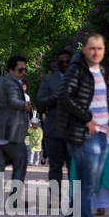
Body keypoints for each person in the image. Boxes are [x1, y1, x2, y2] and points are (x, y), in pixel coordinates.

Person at [50, 34, 109, 217]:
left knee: (88, 185)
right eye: (92, 48)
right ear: (84, 50)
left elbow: (105, 99)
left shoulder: (101, 71)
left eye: (100, 48)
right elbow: (65, 97)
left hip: (102, 133)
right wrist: (87, 120)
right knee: (86, 186)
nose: (96, 52)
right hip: (84, 135)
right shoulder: (77, 70)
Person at [0, 56, 30, 211]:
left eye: (25, 69)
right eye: (20, 69)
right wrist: (24, 105)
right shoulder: (12, 82)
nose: (23, 72)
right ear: (11, 69)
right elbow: (13, 100)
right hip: (11, 131)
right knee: (21, 161)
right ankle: (15, 200)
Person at [37, 49, 72, 181]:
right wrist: (55, 98)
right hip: (54, 131)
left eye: (68, 62)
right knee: (55, 168)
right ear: (57, 63)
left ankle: (76, 201)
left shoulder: (80, 79)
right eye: (61, 62)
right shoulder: (48, 80)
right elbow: (40, 103)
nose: (65, 64)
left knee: (74, 169)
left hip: (74, 132)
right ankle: (55, 200)